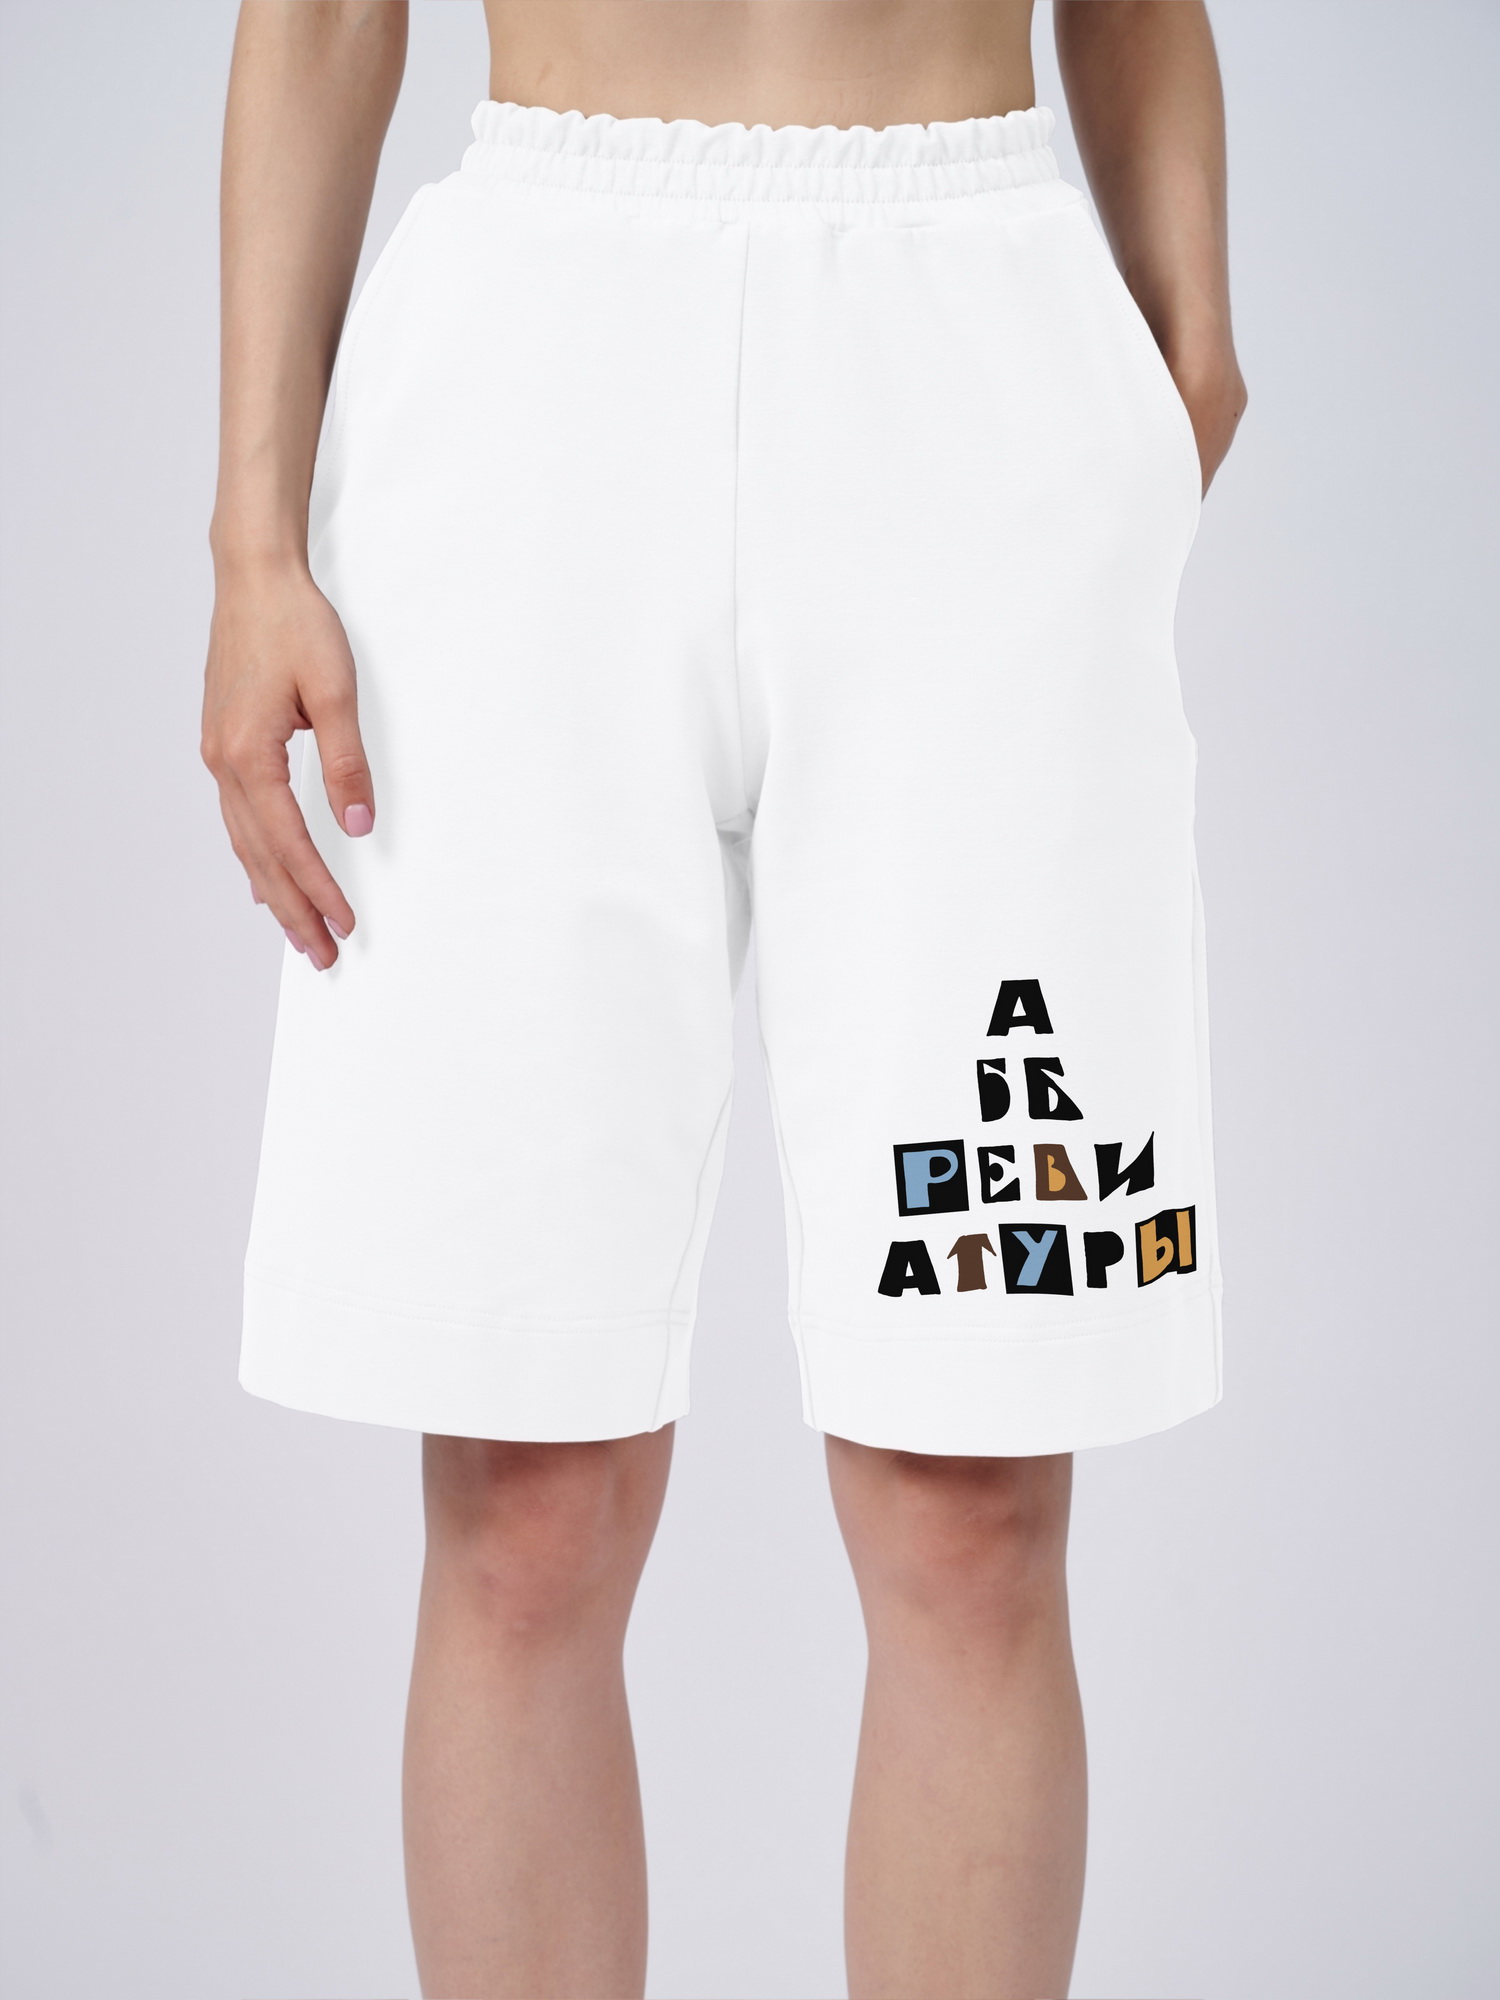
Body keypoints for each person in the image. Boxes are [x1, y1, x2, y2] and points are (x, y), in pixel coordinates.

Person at [202, 2, 1245, 1993]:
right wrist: (253, 536)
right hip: (528, 386)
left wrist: (1187, 335)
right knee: (525, 1495)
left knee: (973, 1501)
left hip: (979, 359)